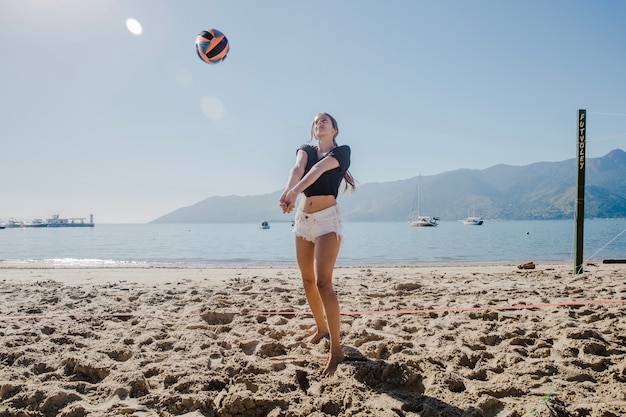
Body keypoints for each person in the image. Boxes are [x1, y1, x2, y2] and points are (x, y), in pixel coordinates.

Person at [279, 112, 356, 377]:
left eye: (325, 120)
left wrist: (294, 191)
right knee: (307, 281)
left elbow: (318, 170)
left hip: (327, 222)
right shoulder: (306, 149)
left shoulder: (342, 152)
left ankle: (337, 351)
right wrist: (288, 191)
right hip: (302, 220)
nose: (319, 122)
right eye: (316, 121)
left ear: (335, 128)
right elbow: (298, 168)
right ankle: (321, 328)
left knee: (324, 283)